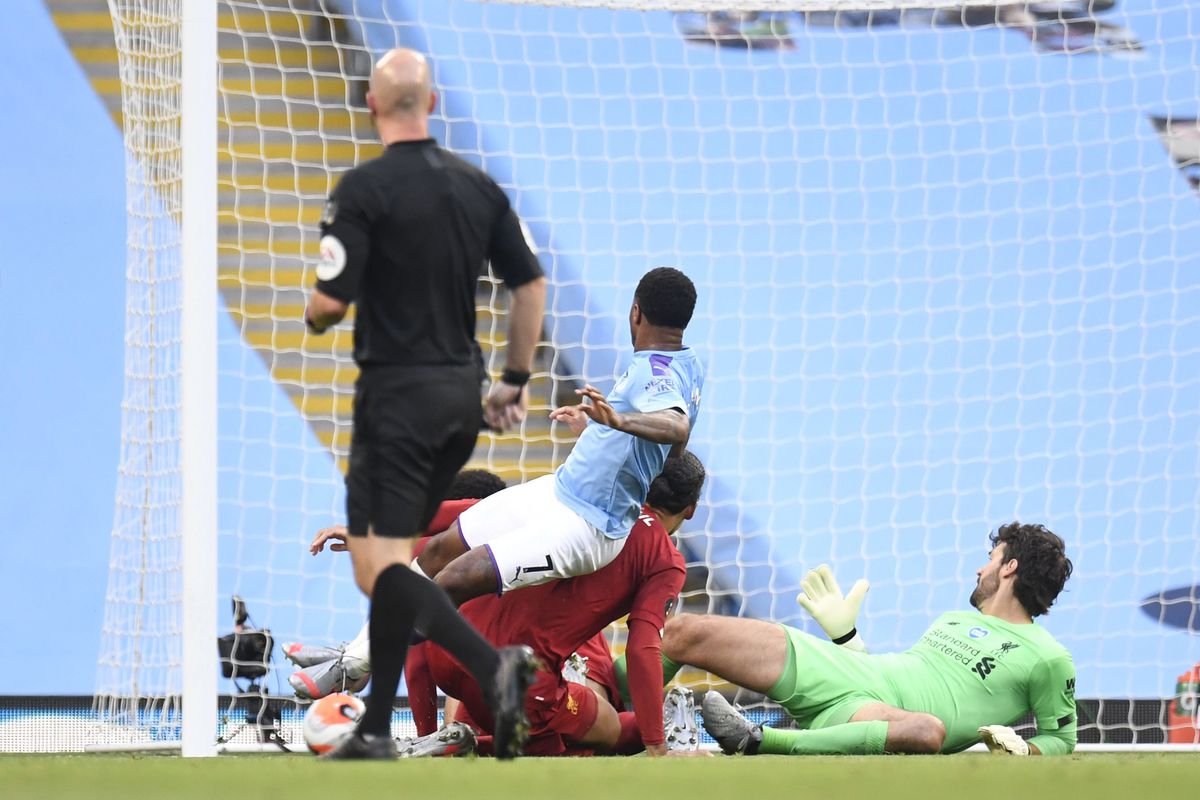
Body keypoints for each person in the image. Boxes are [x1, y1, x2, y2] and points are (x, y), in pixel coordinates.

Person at [302, 46, 547, 760]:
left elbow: (328, 302)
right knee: (394, 565)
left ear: (373, 105)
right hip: (458, 404)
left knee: (378, 571)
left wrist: (317, 311)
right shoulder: (479, 189)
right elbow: (529, 288)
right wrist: (513, 380)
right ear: (432, 105)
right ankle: (377, 728)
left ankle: (491, 666)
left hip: (396, 399)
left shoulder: (362, 191)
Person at [308, 452, 708, 757]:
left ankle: (439, 733)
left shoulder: (577, 498)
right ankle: (670, 730)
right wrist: (656, 747)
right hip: (525, 678)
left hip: (452, 659)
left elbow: (466, 514)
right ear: (689, 509)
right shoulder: (664, 559)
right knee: (604, 735)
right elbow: (642, 647)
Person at [655, 522, 1077, 756]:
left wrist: (1025, 752)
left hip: (873, 718)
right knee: (683, 632)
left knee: (929, 730)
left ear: (1009, 568)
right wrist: (845, 635)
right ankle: (608, 711)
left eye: (990, 560)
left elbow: (1062, 738)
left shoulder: (1049, 658)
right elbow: (892, 674)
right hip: (848, 671)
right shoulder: (952, 620)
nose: (980, 570)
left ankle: (760, 741)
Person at [415, 266, 703, 607]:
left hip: (588, 524)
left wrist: (617, 420)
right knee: (439, 550)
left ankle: (387, 655)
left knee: (455, 578)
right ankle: (357, 658)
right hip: (562, 490)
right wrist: (598, 433)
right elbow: (671, 450)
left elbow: (677, 426)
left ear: (635, 312)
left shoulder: (654, 369)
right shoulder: (689, 366)